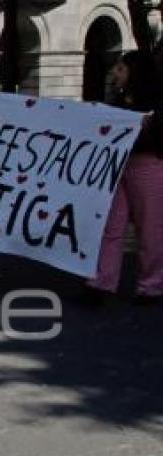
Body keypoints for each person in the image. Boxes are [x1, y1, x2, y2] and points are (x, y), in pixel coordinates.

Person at [86, 50, 163, 305]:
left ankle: (150, 286)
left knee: (149, 227)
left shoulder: (157, 101)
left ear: (134, 73)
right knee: (111, 225)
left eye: (120, 69)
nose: (114, 73)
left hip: (148, 165)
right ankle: (102, 282)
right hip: (117, 167)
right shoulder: (117, 100)